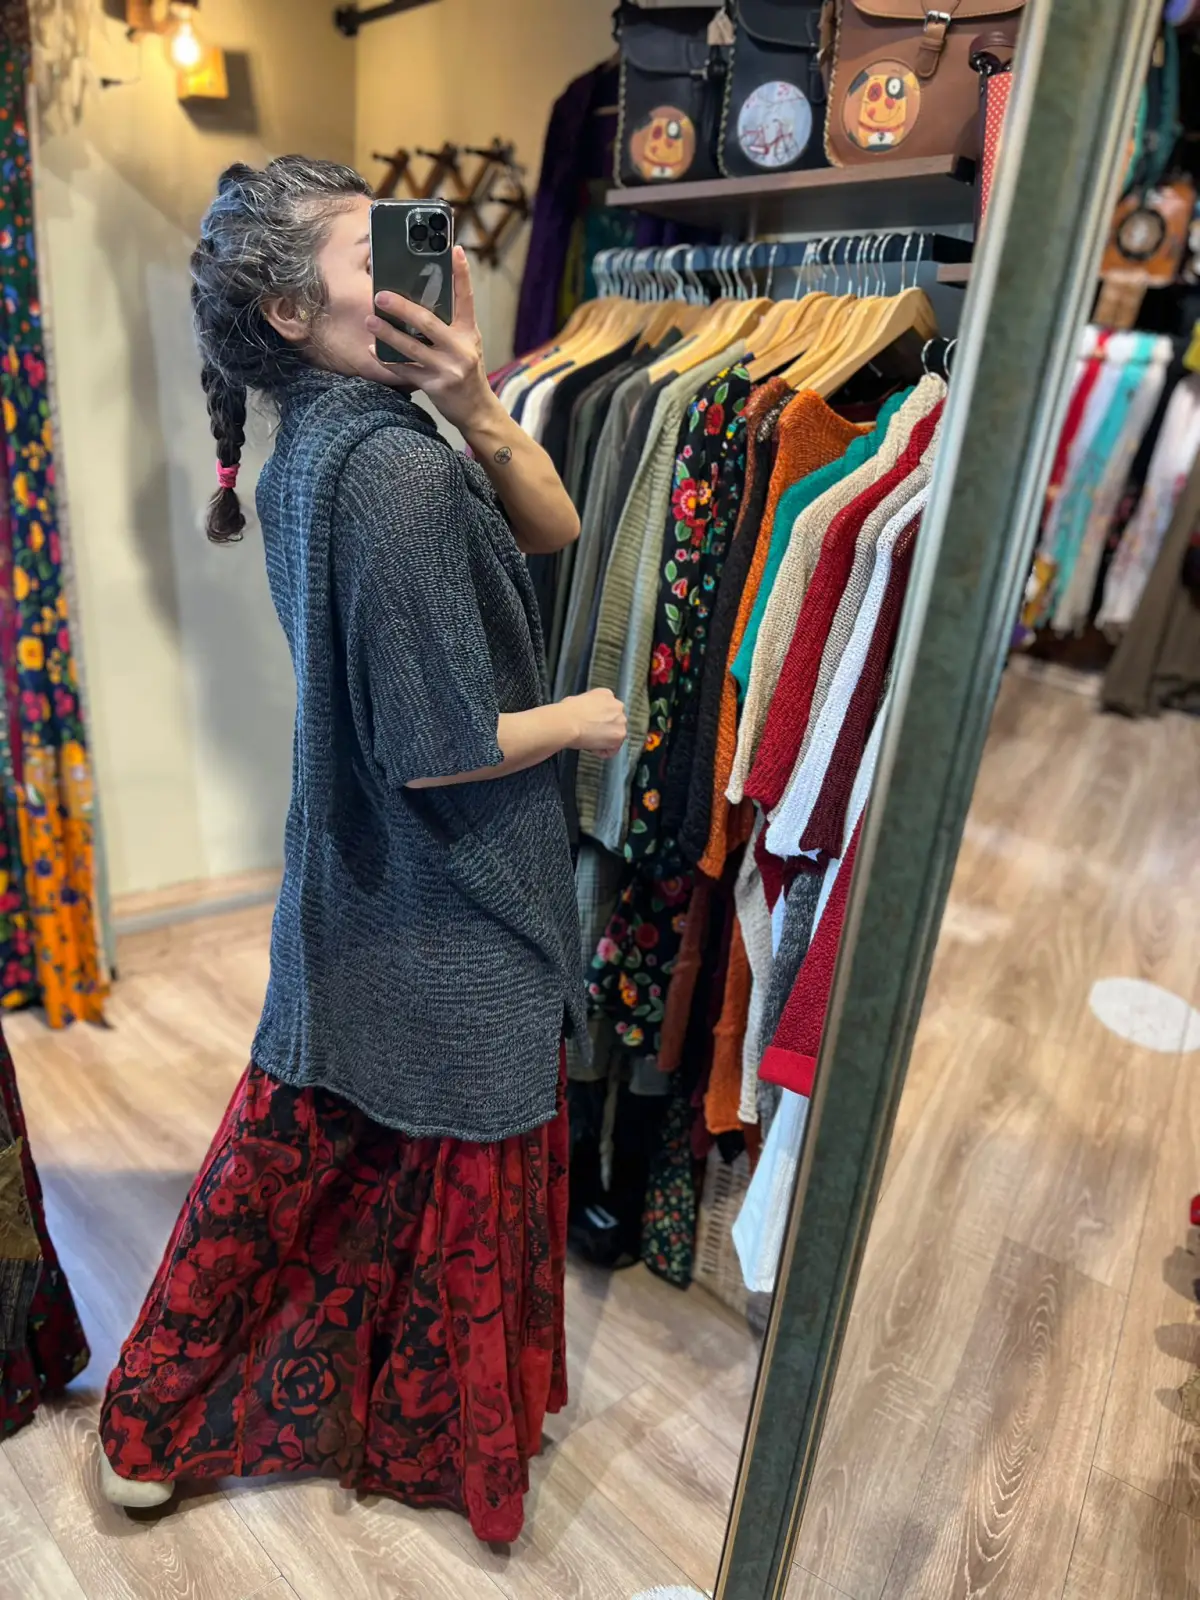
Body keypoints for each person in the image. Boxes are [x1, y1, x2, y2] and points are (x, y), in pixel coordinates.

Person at [97, 156, 626, 1543]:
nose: (418, 267)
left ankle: (156, 1417)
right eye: (371, 252)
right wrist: (582, 718)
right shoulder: (391, 470)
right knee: (409, 1147)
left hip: (364, 872)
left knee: (312, 1137)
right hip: (451, 880)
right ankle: (357, 1431)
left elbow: (558, 526)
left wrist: (475, 398)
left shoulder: (342, 443)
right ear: (290, 312)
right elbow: (439, 742)